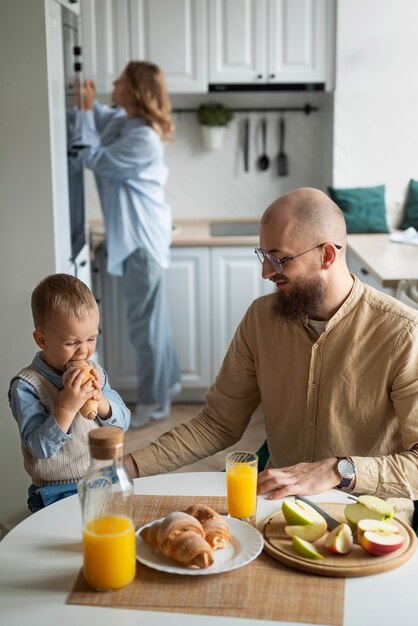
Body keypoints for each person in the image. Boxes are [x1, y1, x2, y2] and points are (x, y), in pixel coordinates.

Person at [123, 187, 418, 525]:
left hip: (368, 520)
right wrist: (127, 467)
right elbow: (218, 423)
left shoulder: (403, 334)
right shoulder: (260, 319)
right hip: (278, 510)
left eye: (279, 258)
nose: (266, 272)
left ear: (326, 256)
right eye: (262, 255)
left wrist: (340, 469)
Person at [75, 61, 181, 428]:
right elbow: (99, 116)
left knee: (144, 326)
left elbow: (91, 156)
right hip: (140, 237)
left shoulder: (143, 138)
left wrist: (86, 108)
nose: (113, 83)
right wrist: (84, 101)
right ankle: (165, 390)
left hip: (141, 239)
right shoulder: (127, 123)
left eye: (120, 80)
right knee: (153, 323)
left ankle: (153, 403)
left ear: (135, 89)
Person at [9, 274, 131, 512]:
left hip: (103, 479)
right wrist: (66, 407)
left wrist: (102, 402)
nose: (84, 350)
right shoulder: (27, 387)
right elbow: (39, 449)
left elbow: (123, 424)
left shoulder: (95, 372)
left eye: (91, 339)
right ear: (42, 340)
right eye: (72, 342)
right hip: (56, 492)